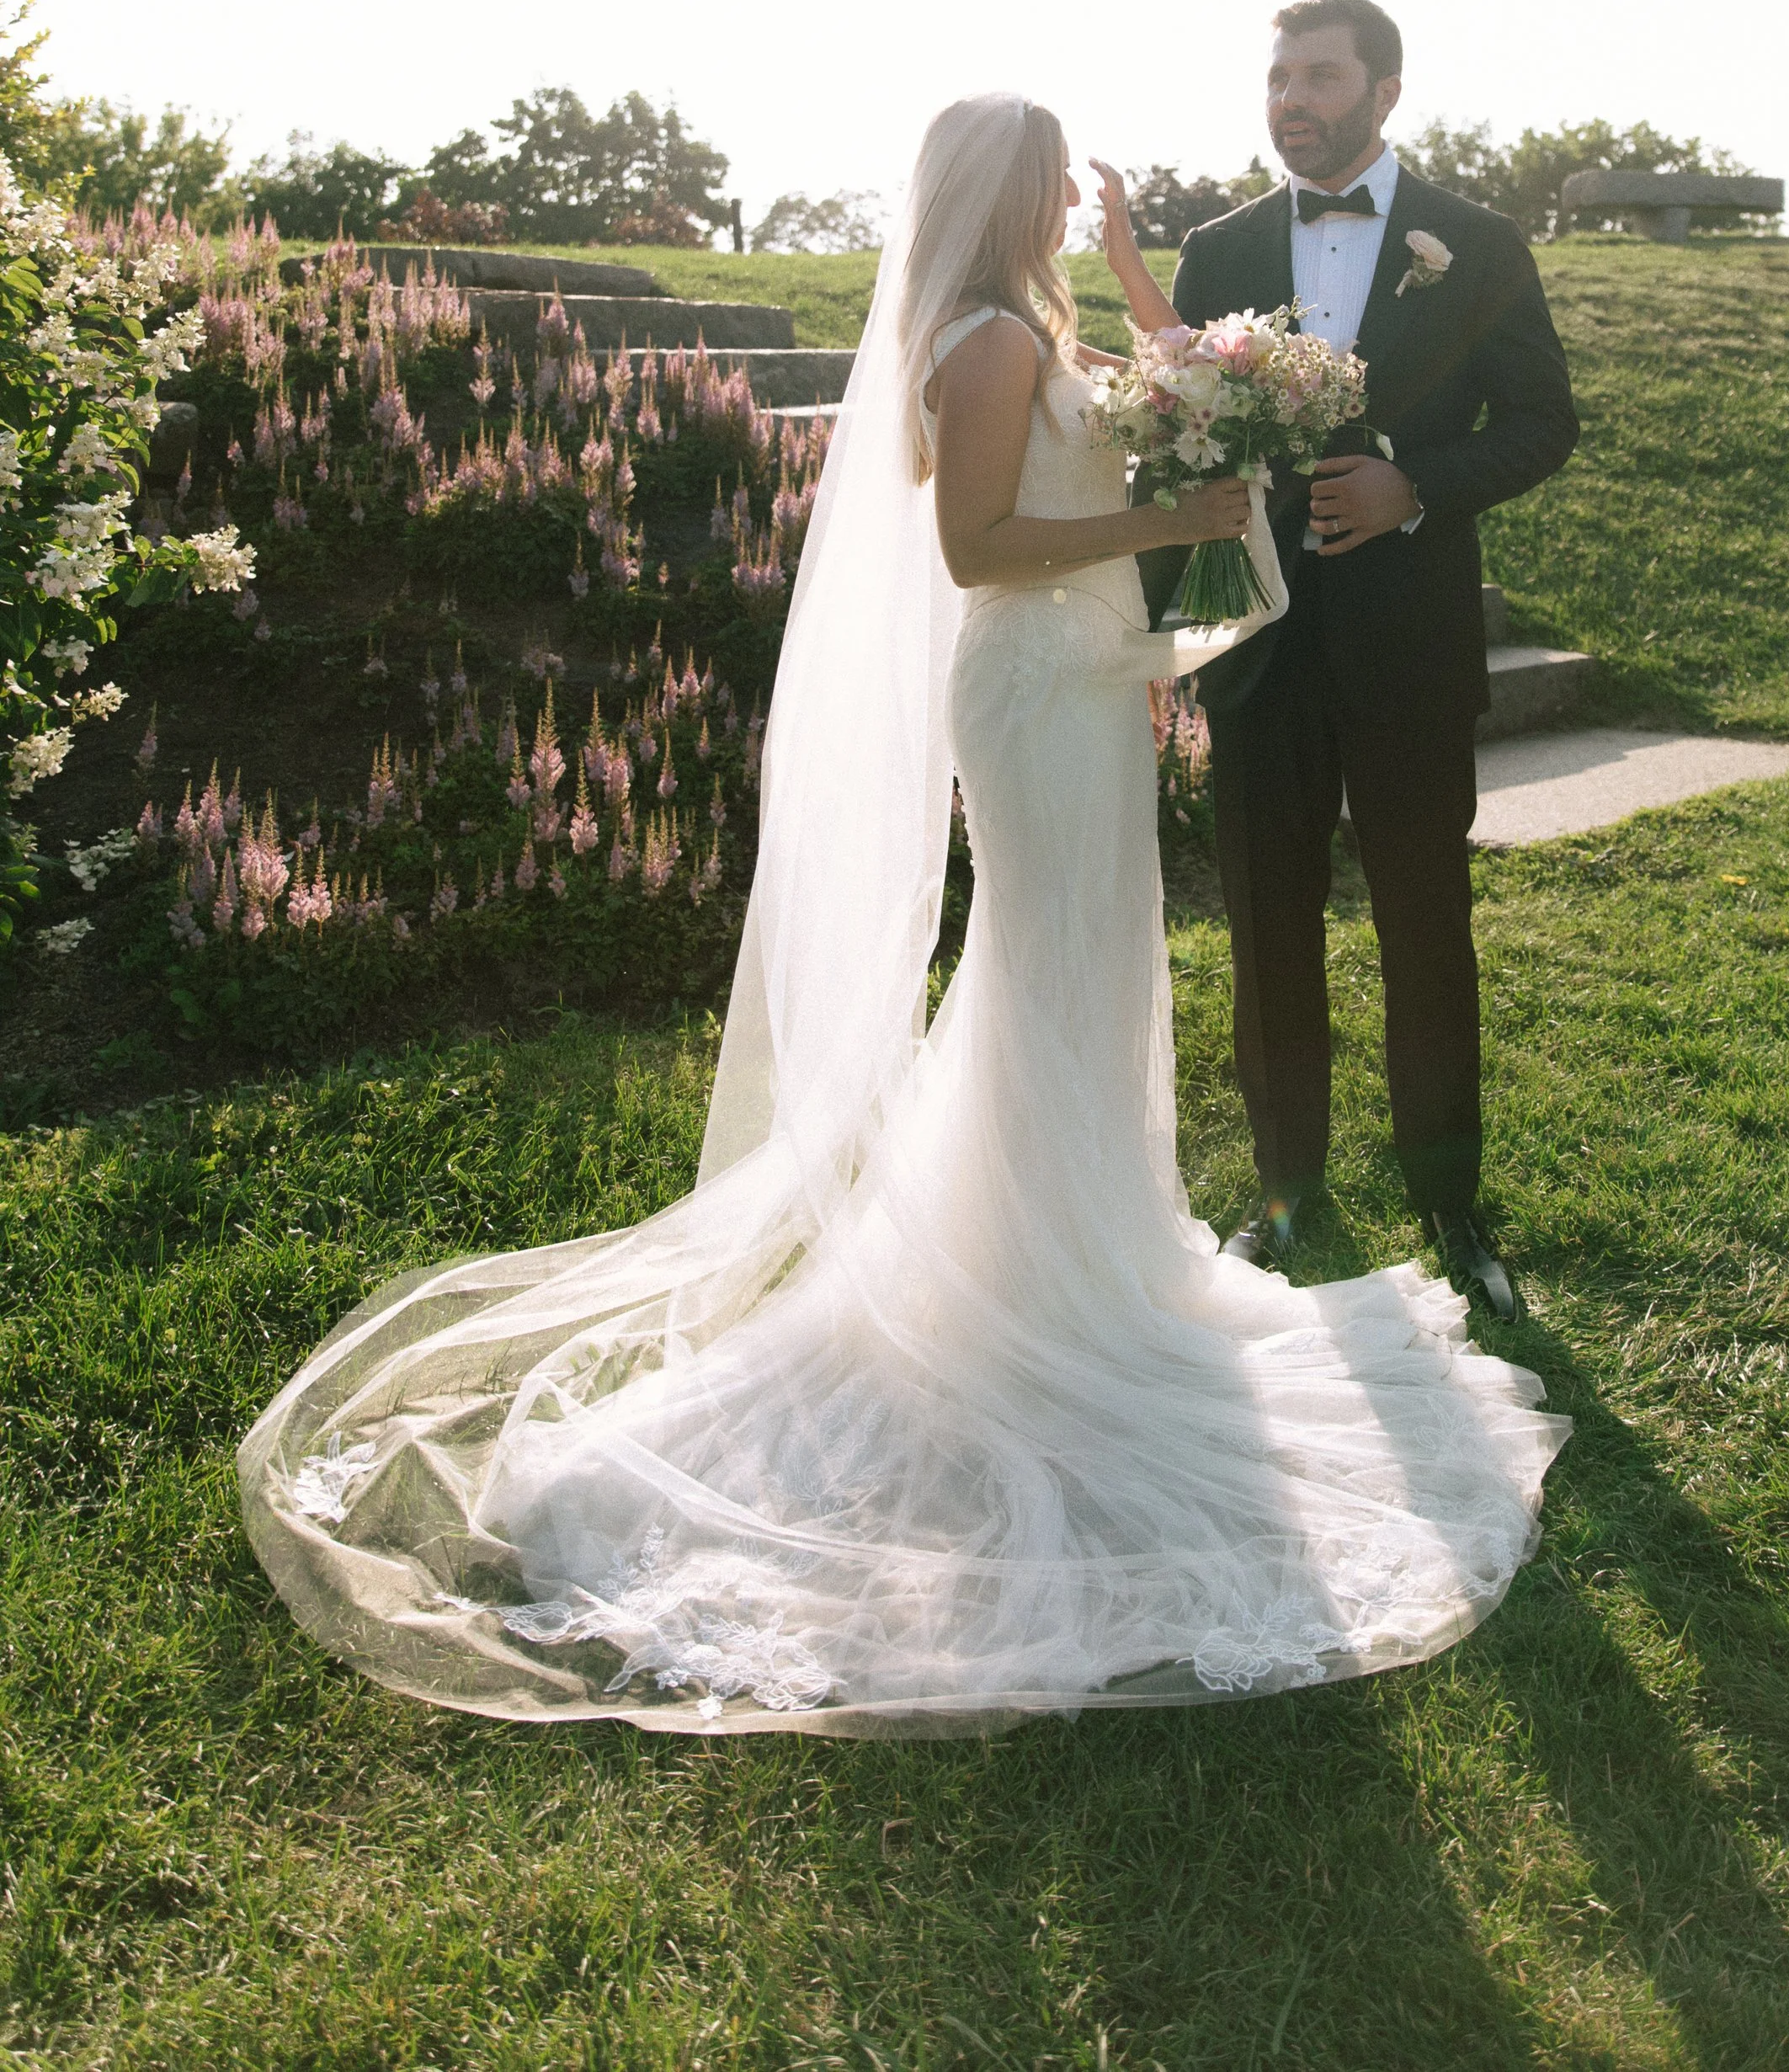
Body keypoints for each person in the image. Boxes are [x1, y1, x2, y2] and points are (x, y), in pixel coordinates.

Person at [241, 93, 1565, 1734]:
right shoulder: (983, 338)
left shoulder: (1021, 320)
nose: (1068, 193)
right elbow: (976, 546)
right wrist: (1168, 528)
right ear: (1006, 190)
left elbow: (1167, 410)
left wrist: (1139, 276)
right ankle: (1031, 1299)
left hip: (1077, 690)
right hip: (1026, 691)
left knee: (1078, 986)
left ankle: (1077, 1255)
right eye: (1055, 177)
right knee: (1050, 977)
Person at [1112, 0, 1579, 1318]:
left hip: (1412, 651)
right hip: (1260, 651)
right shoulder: (1217, 249)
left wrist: (1412, 486)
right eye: (1278, 76)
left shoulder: (1475, 244)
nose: (1292, 98)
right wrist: (1192, 635)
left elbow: (1544, 422)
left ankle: (1448, 1194)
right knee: (1265, 925)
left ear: (1386, 90)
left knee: (1427, 917)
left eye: (1320, 75)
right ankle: (1284, 1191)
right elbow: (1184, 442)